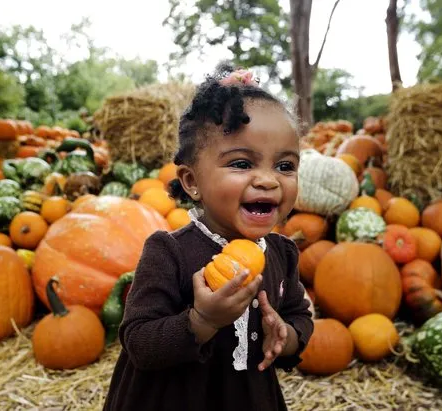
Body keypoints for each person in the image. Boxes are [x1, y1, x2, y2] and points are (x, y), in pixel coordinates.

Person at [103, 62, 314, 411]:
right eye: (242, 164)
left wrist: (287, 337)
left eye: (285, 165)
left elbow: (298, 314)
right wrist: (202, 321)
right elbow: (138, 341)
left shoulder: (283, 254)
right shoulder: (168, 252)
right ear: (192, 182)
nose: (268, 180)